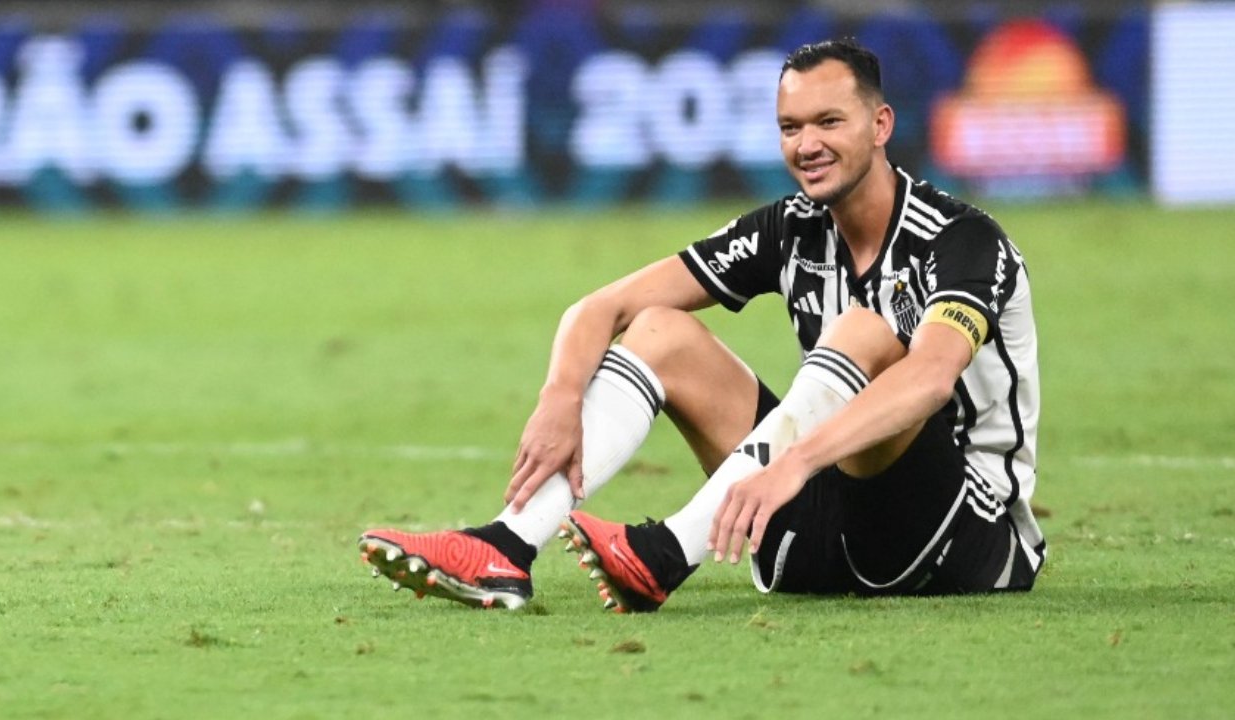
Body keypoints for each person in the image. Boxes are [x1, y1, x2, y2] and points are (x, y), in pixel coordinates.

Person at [358, 38, 1045, 611]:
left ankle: (667, 552)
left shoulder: (961, 239)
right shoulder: (792, 228)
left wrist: (796, 462)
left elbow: (929, 379)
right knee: (659, 329)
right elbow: (602, 308)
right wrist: (561, 394)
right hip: (824, 526)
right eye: (790, 128)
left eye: (828, 122)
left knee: (862, 332)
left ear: (881, 125)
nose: (806, 145)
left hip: (964, 539)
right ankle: (505, 548)